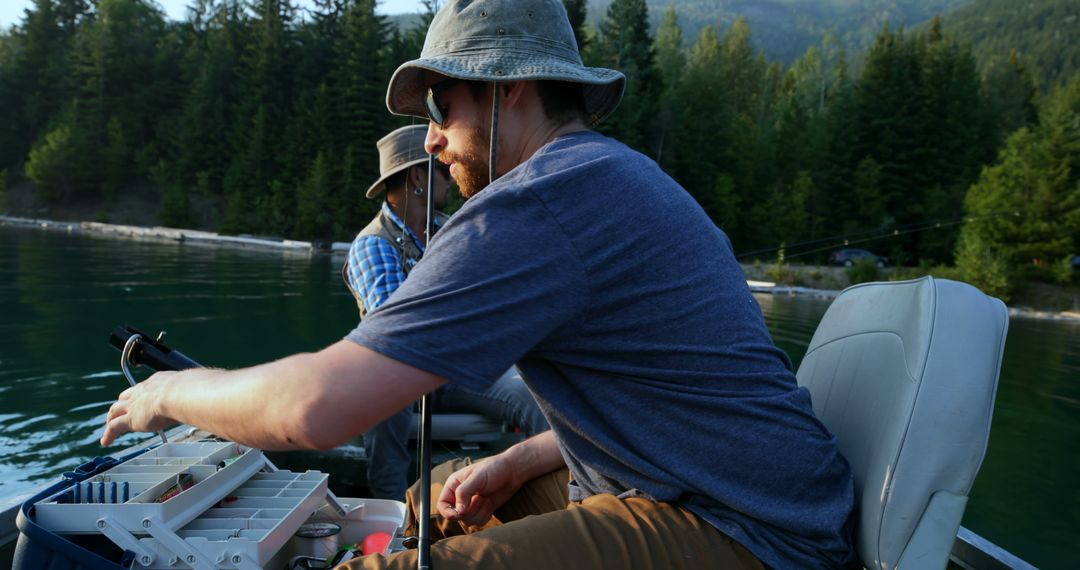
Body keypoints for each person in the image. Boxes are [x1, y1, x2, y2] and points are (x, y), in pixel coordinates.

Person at [100, 1, 856, 568]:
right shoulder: (610, 175)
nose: (430, 138)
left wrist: (164, 396)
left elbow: (315, 411)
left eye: (442, 106)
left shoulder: (539, 202)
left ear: (510, 91)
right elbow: (659, 404)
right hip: (739, 493)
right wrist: (513, 461)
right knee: (433, 500)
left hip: (753, 532)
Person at [344, 124, 548, 500]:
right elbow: (397, 334)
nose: (451, 177)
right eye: (442, 168)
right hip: (400, 375)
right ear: (418, 176)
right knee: (384, 398)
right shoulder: (372, 245)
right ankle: (395, 513)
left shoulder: (450, 229)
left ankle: (547, 496)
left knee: (533, 396)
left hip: (456, 369)